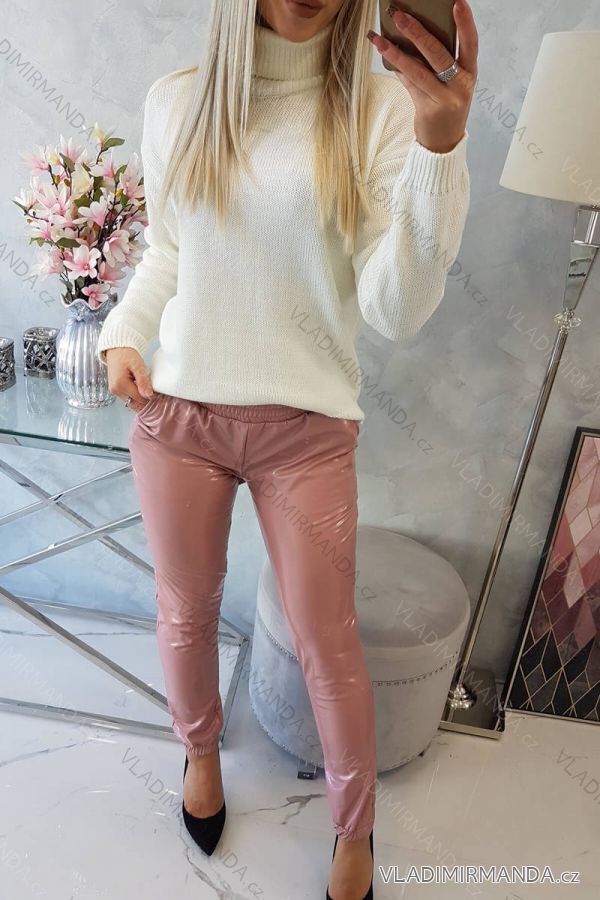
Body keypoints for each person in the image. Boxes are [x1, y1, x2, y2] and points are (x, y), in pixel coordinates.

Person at [97, 1, 477, 897]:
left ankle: (354, 828)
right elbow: (167, 251)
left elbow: (395, 308)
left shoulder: (380, 112)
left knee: (327, 642)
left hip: (306, 432)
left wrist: (440, 148)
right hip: (179, 414)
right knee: (185, 609)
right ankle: (199, 753)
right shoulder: (177, 101)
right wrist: (124, 332)